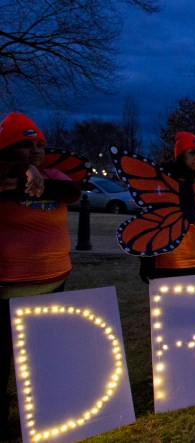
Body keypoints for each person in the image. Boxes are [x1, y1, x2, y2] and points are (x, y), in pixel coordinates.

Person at [0, 113, 81, 437]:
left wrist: (37, 179)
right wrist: (22, 174)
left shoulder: (53, 175)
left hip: (53, 282)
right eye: (25, 145)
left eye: (39, 145)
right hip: (8, 287)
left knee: (43, 356)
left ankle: (44, 412)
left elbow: (72, 191)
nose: (35, 151)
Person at [139, 132, 195, 281]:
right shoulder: (164, 183)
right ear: (181, 155)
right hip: (173, 262)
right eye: (192, 152)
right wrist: (147, 260)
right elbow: (150, 223)